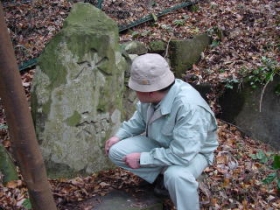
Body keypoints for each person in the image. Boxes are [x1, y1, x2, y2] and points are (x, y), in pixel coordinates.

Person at [105, 53, 218, 210]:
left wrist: (142, 159)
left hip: (194, 153)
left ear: (150, 91)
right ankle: (161, 178)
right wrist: (119, 136)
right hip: (162, 145)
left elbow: (182, 154)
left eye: (137, 89)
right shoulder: (154, 97)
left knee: (176, 175)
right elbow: (139, 120)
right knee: (116, 151)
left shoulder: (189, 107)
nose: (134, 92)